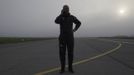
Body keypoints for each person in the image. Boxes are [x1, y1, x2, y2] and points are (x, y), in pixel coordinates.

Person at [55, 5, 81, 73]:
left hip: (70, 39)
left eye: (67, 8)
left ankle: (70, 68)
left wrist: (74, 29)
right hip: (62, 39)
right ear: (63, 9)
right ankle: (62, 69)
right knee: (62, 54)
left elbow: (79, 23)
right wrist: (61, 14)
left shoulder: (72, 17)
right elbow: (56, 21)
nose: (66, 10)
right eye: (64, 8)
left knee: (70, 54)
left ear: (69, 10)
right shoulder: (61, 17)